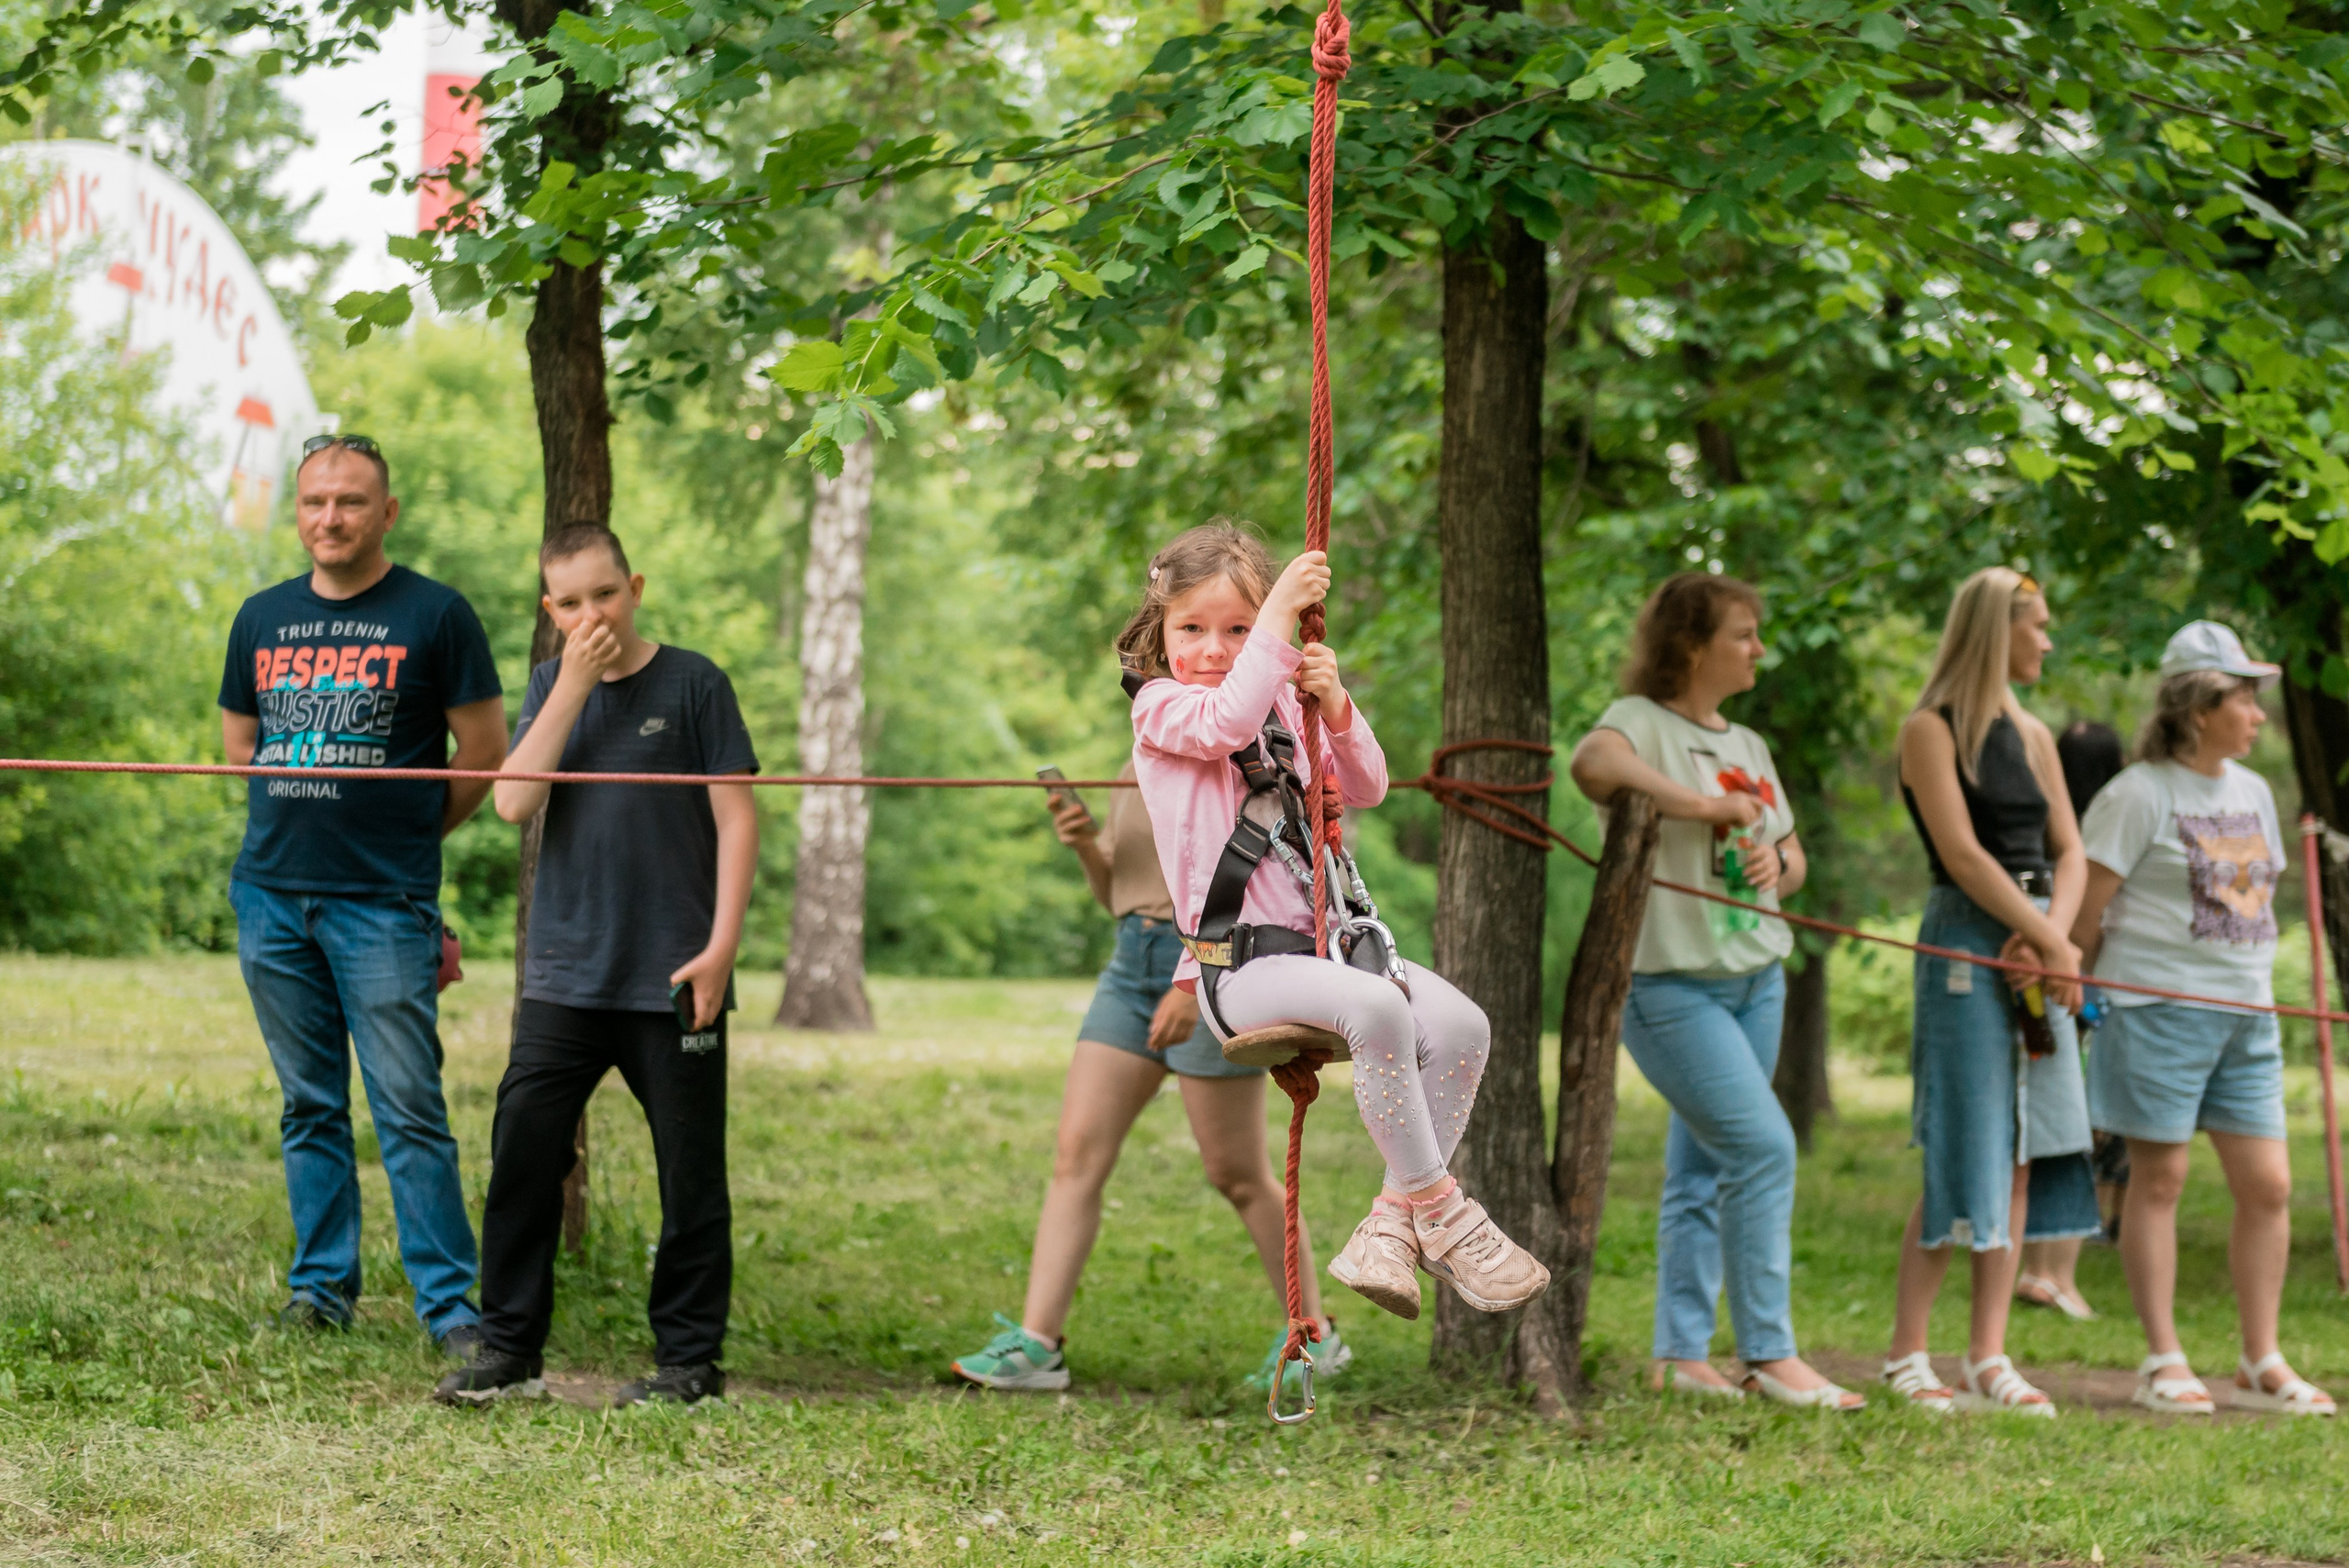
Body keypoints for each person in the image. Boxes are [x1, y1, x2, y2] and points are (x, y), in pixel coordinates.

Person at [1123, 523, 1548, 1324]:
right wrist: (1279, 618)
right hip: (1240, 966)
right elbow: (1225, 723)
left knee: (1462, 1024)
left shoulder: (1284, 701)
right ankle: (1442, 1208)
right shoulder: (1163, 708)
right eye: (1191, 628)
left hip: (1326, 947)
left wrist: (1335, 704)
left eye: (1238, 628)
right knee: (1381, 1008)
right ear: (1160, 629)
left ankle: (1390, 1225)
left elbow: (1369, 784)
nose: (1213, 647)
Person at [435, 524, 759, 1408]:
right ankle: (510, 1350)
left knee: (690, 1172)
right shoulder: (550, 685)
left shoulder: (695, 683)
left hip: (675, 972)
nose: (592, 614)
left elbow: (737, 820)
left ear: (636, 587)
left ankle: (689, 1363)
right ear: (552, 610)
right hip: (566, 977)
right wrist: (573, 684)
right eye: (570, 602)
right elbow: (511, 801)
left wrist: (722, 947)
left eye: (605, 595)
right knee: (523, 1159)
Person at [218, 435, 506, 1351]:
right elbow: (239, 750)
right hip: (272, 897)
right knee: (309, 1103)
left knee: (408, 1105)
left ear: (386, 512)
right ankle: (320, 1290)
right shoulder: (259, 617)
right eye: (313, 502)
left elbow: (485, 755)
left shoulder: (436, 613)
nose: (329, 518)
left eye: (349, 502)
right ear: (296, 511)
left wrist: (411, 835)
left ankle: (451, 1307)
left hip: (383, 903)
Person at [950, 756, 1344, 1395]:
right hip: (1131, 961)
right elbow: (1116, 891)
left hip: (1215, 964)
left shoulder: (1236, 758)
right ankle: (1038, 1344)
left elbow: (1261, 884)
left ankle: (1314, 1332)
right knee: (1076, 1154)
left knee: (1237, 1173)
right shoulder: (1137, 759)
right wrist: (1083, 842)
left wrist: (1195, 981)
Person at [1569, 573, 1860, 1410]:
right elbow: (1595, 764)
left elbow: (1791, 854)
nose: (1759, 648)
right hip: (1669, 986)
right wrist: (1701, 806)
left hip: (1755, 979)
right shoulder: (1642, 723)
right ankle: (1769, 1352)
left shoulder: (1752, 746)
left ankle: (1681, 1356)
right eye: (1742, 633)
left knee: (1703, 1169)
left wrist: (1778, 863)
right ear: (1691, 646)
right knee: (1764, 1146)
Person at [2071, 622, 2335, 1417]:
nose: (2258, 714)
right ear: (2196, 706)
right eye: (2242, 697)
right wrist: (2079, 994)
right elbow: (2086, 913)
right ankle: (2165, 1358)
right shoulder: (2137, 793)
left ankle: (2261, 1358)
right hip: (2156, 1011)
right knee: (2161, 1179)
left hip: (2245, 1015)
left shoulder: (2251, 791)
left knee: (2270, 1184)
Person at [1883, 567, 2099, 1418]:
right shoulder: (1928, 729)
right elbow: (1964, 854)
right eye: (2036, 625)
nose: (2047, 640)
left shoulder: (2037, 733)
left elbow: (2070, 852)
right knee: (1962, 1146)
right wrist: (2047, 940)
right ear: (1993, 630)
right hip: (1968, 945)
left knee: (2017, 1152)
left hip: (2038, 943)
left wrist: (2055, 937)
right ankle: (1907, 1353)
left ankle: (1986, 1353)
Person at [2012, 719, 2128, 1321]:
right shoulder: (2106, 828)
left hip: (2051, 977)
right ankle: (2052, 1271)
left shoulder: (2041, 823)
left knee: (2050, 1123)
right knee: (2074, 1127)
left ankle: (2047, 1267)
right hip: (2082, 988)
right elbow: (2089, 928)